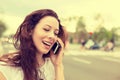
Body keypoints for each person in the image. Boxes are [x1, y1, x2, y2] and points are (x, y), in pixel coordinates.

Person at [0, 9, 67, 80]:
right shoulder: (6, 68)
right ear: (30, 30)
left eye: (55, 33)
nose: (52, 36)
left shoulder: (53, 66)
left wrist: (58, 65)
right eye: (46, 29)